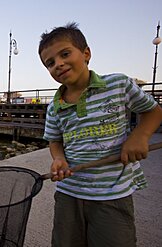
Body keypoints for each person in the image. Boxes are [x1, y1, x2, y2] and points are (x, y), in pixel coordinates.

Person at [38, 22, 162, 247]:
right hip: (69, 191)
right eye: (50, 63)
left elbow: (153, 112)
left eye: (65, 54)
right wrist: (58, 158)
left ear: (86, 53)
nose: (59, 64)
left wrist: (139, 136)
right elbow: (55, 140)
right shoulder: (54, 106)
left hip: (112, 193)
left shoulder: (118, 85)